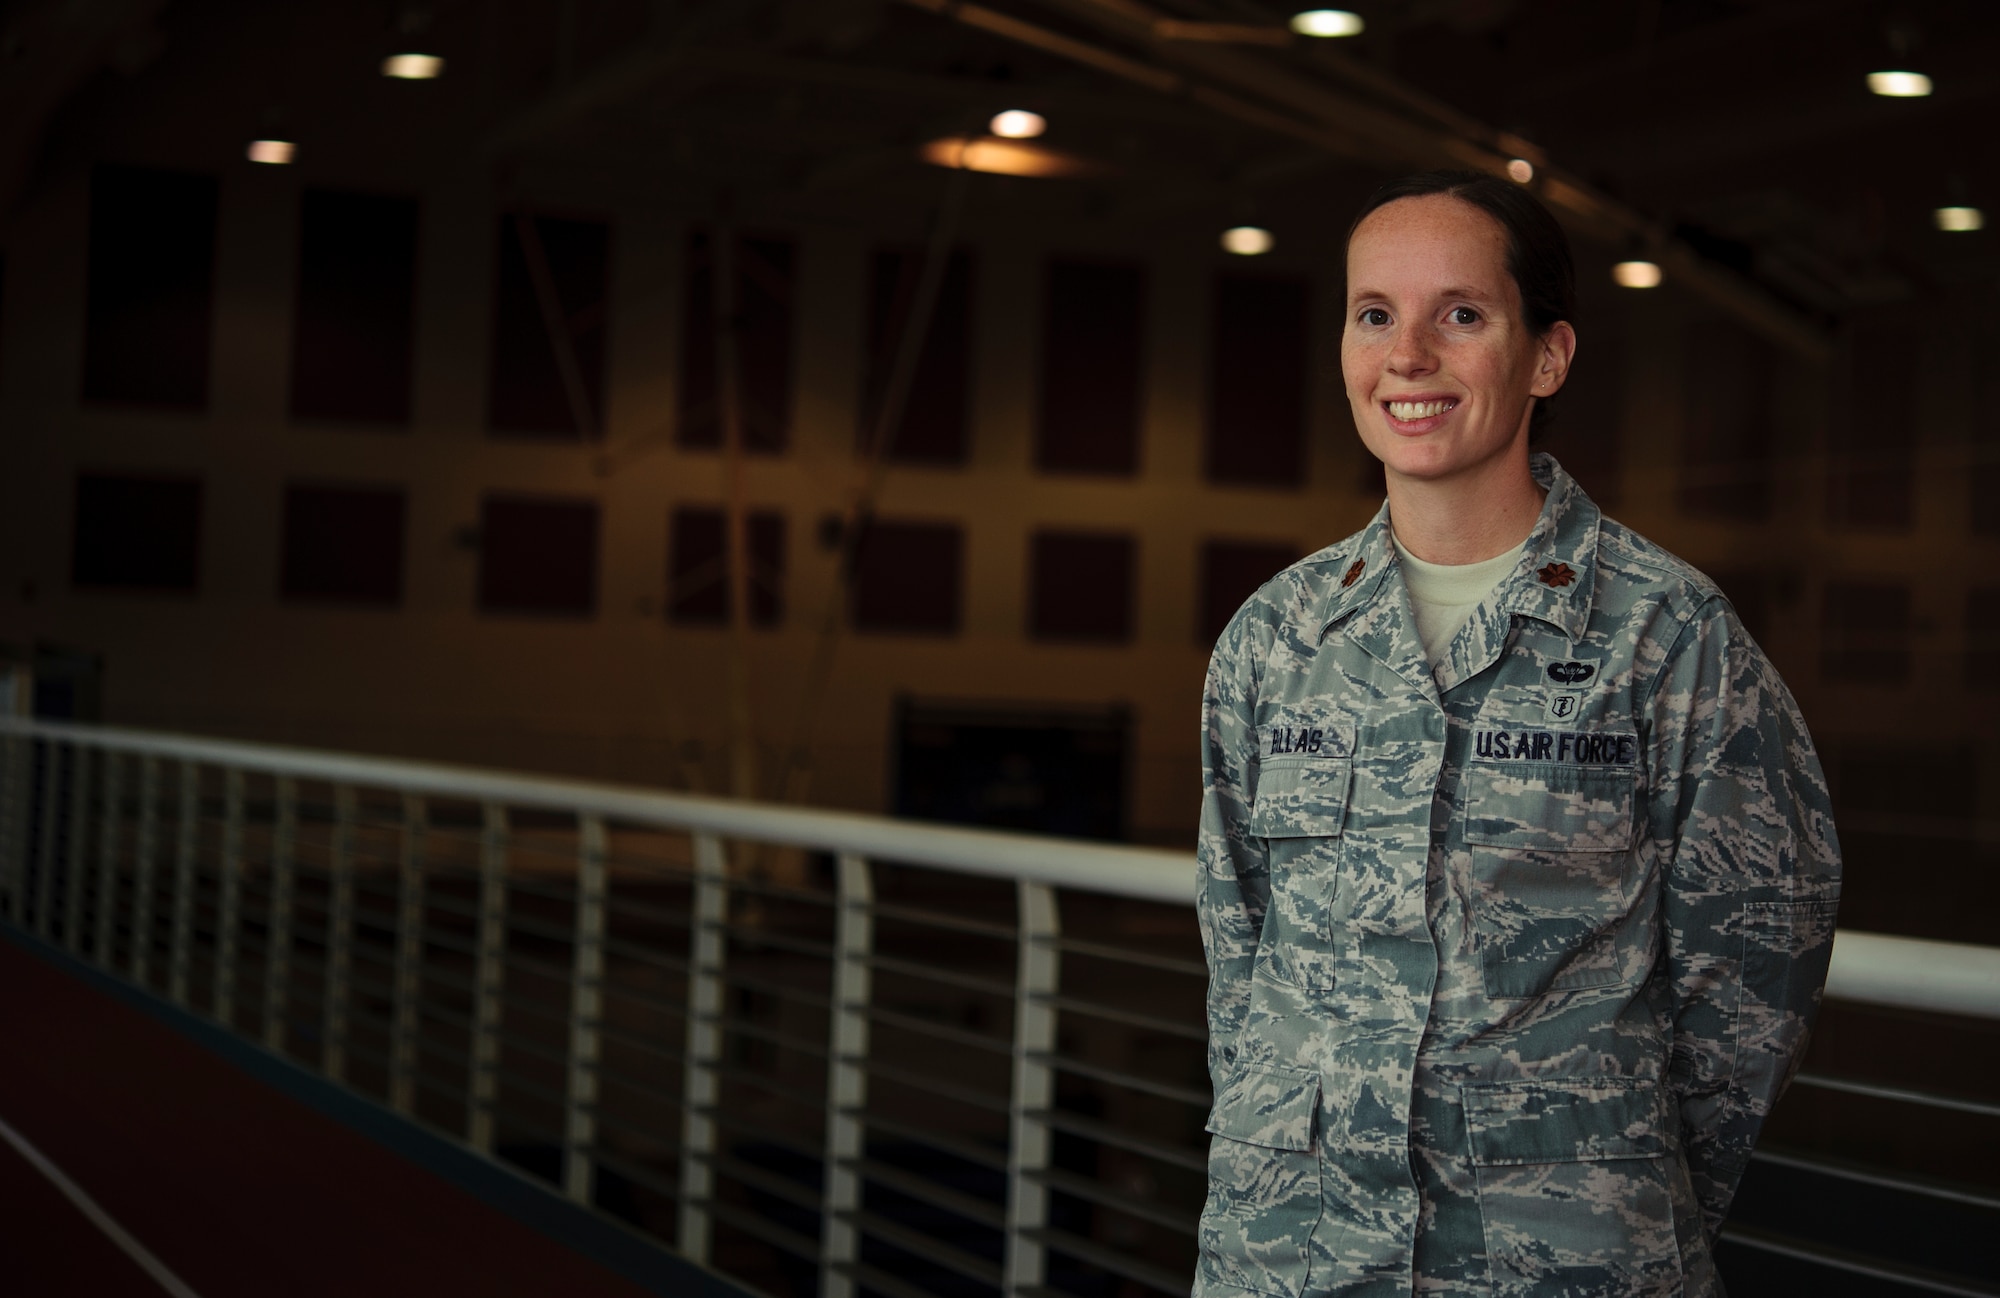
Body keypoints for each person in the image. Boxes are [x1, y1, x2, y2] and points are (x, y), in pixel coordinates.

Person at [1194, 170, 1840, 1298]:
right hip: (1290, 1251)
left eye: (1460, 314)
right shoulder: (1276, 636)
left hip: (1561, 1256)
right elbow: (1237, 949)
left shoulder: (1664, 636)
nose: (1406, 356)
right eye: (1373, 314)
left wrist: (1603, 1167)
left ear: (1545, 356)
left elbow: (1752, 971)